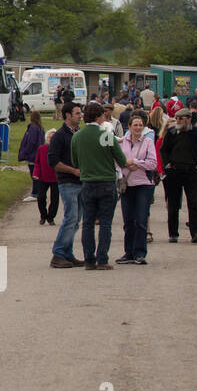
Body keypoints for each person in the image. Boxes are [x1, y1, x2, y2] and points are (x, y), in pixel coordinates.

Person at [71, 102, 127, 269]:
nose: (105, 118)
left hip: (87, 182)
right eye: (103, 115)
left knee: (87, 223)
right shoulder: (106, 135)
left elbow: (75, 162)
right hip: (106, 182)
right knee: (105, 223)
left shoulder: (77, 136)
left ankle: (89, 260)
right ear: (98, 117)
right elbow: (122, 160)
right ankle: (102, 259)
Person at [160, 110, 197, 243]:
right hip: (174, 171)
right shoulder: (171, 133)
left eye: (182, 118)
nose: (179, 120)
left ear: (189, 119)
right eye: (177, 118)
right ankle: (173, 233)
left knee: (193, 202)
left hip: (192, 171)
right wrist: (167, 164)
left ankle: (196, 232)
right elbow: (164, 150)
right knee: (173, 203)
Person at [48, 102, 85, 268]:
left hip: (81, 181)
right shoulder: (59, 136)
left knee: (76, 220)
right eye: (77, 113)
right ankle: (58, 253)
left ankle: (68, 254)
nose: (80, 116)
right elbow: (54, 162)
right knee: (70, 218)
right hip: (68, 182)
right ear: (68, 115)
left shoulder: (78, 134)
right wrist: (73, 171)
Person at [118, 114, 156, 264]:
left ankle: (140, 252)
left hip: (143, 184)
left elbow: (152, 163)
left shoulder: (148, 142)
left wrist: (135, 162)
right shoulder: (122, 142)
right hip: (127, 185)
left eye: (141, 125)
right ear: (129, 127)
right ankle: (128, 252)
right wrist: (126, 164)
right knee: (128, 220)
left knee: (141, 219)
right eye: (135, 125)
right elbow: (116, 161)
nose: (138, 128)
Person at [34, 128, 60, 225]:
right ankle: (43, 215)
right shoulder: (41, 149)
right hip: (43, 177)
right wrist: (36, 173)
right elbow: (37, 163)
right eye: (49, 137)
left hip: (56, 177)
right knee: (40, 197)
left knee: (55, 199)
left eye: (53, 137)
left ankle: (51, 217)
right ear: (46, 138)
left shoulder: (59, 149)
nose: (51, 139)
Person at [17, 110, 44, 202]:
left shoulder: (33, 128)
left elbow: (31, 142)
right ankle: (38, 192)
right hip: (37, 153)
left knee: (34, 174)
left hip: (32, 154)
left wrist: (25, 152)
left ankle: (35, 193)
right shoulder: (41, 128)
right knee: (36, 174)